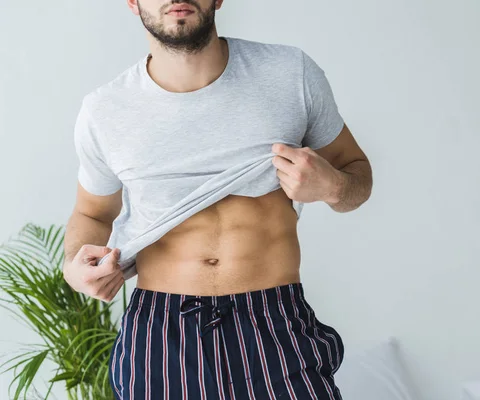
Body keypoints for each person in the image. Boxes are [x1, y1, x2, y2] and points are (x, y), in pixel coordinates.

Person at [62, 0, 373, 398]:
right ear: (133, 2)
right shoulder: (104, 110)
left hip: (273, 322)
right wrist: (75, 269)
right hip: (161, 331)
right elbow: (91, 212)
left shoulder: (289, 72)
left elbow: (356, 174)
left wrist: (331, 187)